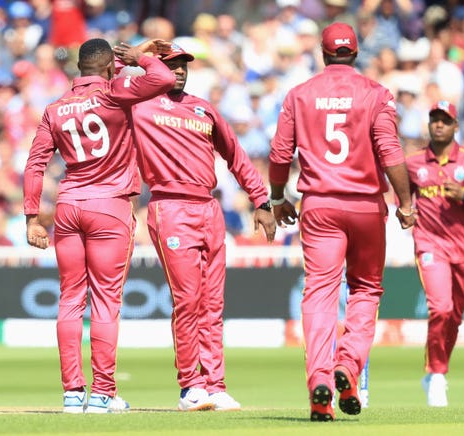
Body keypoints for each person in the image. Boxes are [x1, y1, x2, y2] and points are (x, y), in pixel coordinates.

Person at [118, 42, 277, 412]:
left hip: (209, 207)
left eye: (183, 65)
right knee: (188, 300)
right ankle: (191, 385)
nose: (179, 70)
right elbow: (106, 73)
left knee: (212, 303)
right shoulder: (138, 105)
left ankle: (215, 384)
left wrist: (262, 201)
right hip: (169, 206)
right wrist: (141, 56)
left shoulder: (203, 108)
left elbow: (236, 156)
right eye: (171, 64)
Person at [268, 22, 416, 421]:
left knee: (318, 293)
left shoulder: (299, 95)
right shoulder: (376, 94)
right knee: (365, 289)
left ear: (323, 52)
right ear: (356, 52)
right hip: (366, 206)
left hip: (319, 205)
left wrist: (278, 197)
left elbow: (280, 154)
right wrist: (406, 203)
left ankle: (320, 382)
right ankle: (347, 367)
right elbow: (390, 152)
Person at [23, 37, 175, 414]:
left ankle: (73, 393)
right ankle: (103, 394)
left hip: (69, 206)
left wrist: (31, 217)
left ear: (79, 67)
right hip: (110, 207)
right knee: (107, 302)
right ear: (110, 67)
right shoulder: (116, 92)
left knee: (70, 300)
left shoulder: (55, 108)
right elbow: (163, 79)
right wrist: (139, 56)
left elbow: (34, 164)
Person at [405, 101, 464, 407]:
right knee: (440, 308)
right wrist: (405, 213)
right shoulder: (413, 162)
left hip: (462, 249)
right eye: (434, 120)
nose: (439, 125)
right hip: (429, 245)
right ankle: (437, 375)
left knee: (454, 318)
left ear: (456, 126)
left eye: (445, 120)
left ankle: (436, 371)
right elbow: (402, 197)